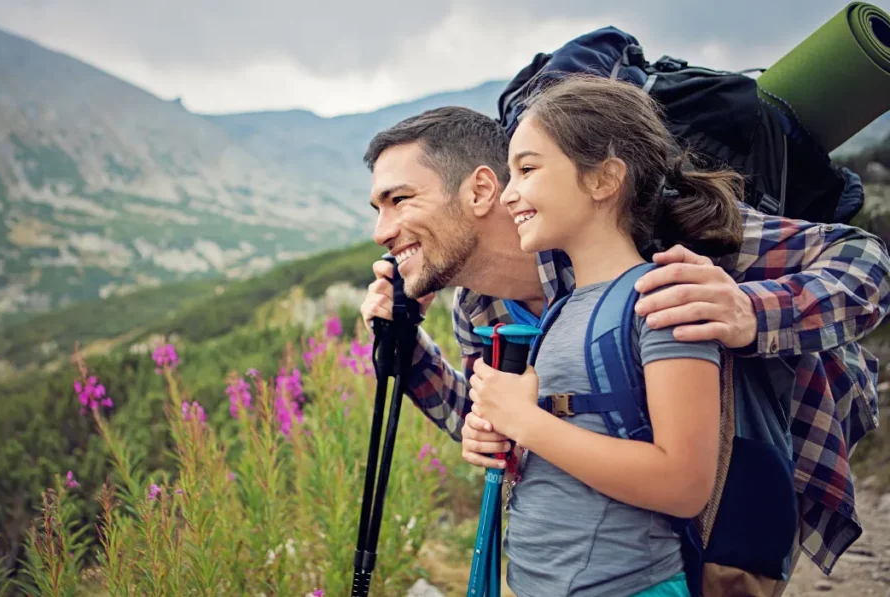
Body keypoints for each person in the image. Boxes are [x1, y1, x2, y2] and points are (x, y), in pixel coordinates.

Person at [358, 92, 890, 581]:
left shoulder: (669, 235)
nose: (382, 231)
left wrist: (748, 311)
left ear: (479, 190)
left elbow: (863, 259)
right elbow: (508, 424)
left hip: (738, 497)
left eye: (400, 199)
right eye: (378, 209)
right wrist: (410, 349)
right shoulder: (478, 309)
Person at [466, 73, 735, 596]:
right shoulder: (562, 311)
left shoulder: (661, 298)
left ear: (603, 179)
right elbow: (572, 450)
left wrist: (526, 421)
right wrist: (508, 440)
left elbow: (683, 484)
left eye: (527, 169)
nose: (509, 194)